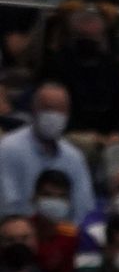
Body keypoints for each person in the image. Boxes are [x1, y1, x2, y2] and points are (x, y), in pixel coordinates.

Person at [0, 84, 93, 222]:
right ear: (34, 109)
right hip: (18, 231)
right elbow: (7, 203)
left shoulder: (74, 157)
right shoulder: (8, 148)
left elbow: (83, 206)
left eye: (60, 110)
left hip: (63, 233)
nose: (53, 116)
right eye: (48, 108)